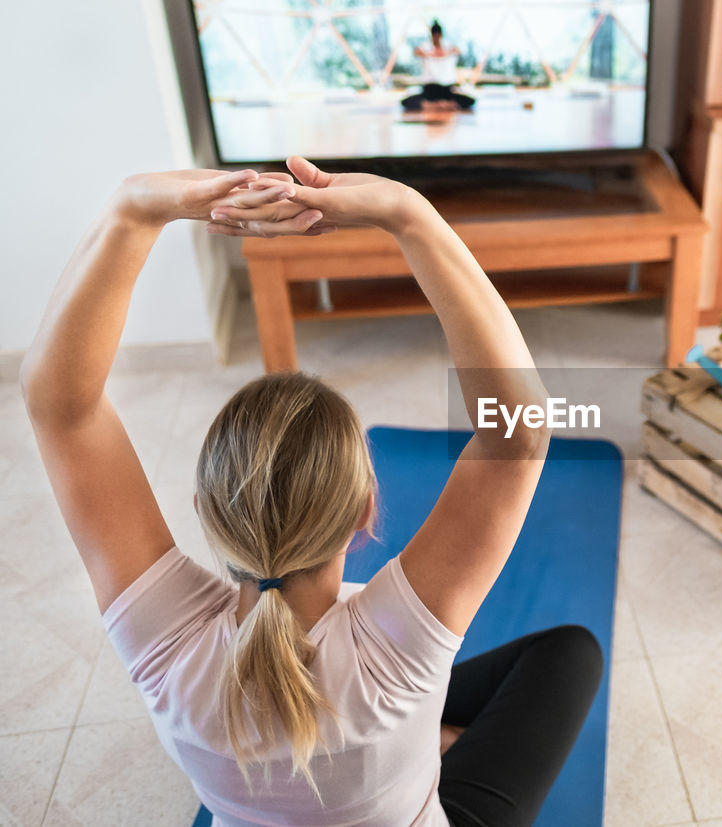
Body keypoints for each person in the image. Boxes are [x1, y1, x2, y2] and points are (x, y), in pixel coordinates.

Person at [20, 158, 603, 826]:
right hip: (412, 741)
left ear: (205, 510)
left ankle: (428, 735)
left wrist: (131, 209)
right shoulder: (394, 655)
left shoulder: (167, 649)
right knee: (567, 653)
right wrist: (410, 215)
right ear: (365, 514)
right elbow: (518, 436)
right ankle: (433, 738)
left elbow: (59, 406)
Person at [402, 19, 476, 112]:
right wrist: (431, 54)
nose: (436, 38)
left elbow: (458, 50)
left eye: (438, 36)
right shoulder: (425, 47)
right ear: (432, 36)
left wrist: (444, 53)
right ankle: (441, 105)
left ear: (441, 35)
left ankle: (437, 105)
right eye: (434, 36)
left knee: (469, 101)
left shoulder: (448, 46)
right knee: (406, 102)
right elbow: (416, 51)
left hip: (447, 87)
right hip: (430, 87)